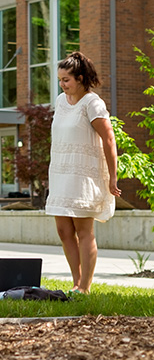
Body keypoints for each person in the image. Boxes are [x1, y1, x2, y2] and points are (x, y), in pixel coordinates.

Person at [45, 51, 121, 294]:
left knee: (83, 230)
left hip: (83, 176)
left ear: (79, 78)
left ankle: (85, 287)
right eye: (60, 80)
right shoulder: (59, 101)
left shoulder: (92, 103)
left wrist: (112, 177)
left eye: (66, 80)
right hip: (61, 173)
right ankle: (76, 283)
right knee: (63, 230)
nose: (62, 84)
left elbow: (109, 139)